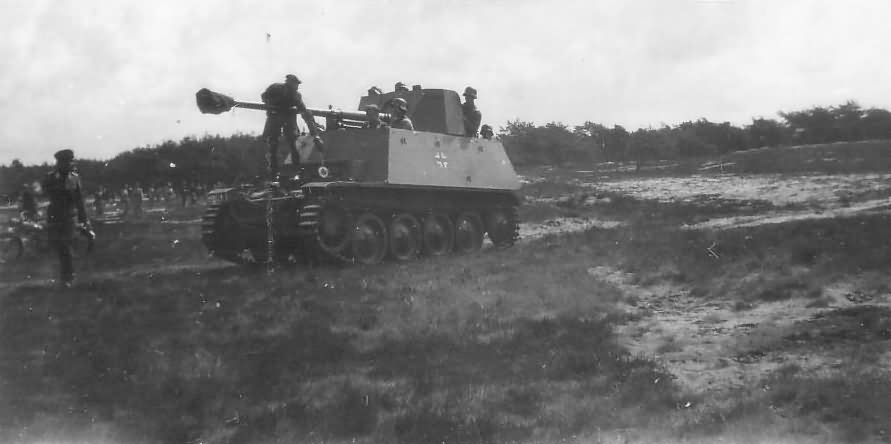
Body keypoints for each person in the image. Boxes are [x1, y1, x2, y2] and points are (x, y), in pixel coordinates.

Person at [41, 149, 90, 288]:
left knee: (64, 245)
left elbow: (79, 200)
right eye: (68, 162)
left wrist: (84, 220)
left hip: (69, 216)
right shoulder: (50, 178)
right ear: (59, 163)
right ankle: (67, 274)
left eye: (71, 161)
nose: (71, 164)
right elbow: (44, 192)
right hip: (54, 216)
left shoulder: (75, 177)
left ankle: (67, 277)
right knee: (59, 246)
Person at [261, 74, 323, 179]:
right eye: (296, 84)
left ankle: (296, 169)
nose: (297, 86)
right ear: (289, 83)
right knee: (273, 144)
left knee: (293, 142)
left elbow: (305, 113)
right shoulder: (275, 88)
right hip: (274, 117)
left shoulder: (296, 96)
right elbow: (264, 96)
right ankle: (274, 171)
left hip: (288, 118)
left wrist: (315, 135)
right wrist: (270, 105)